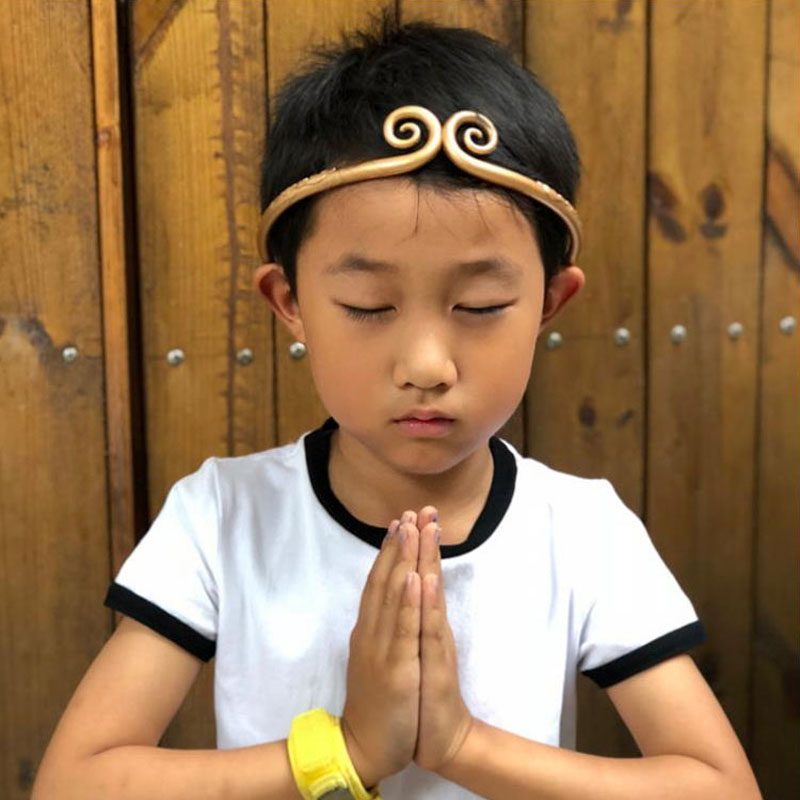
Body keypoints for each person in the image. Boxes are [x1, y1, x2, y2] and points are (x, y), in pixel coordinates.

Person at [32, 10, 762, 800]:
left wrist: (462, 745)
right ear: (290, 302)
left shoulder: (582, 533)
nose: (425, 366)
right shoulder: (222, 519)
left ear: (550, 303)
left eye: (481, 306)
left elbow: (721, 788)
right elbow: (73, 783)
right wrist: (344, 753)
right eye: (368, 306)